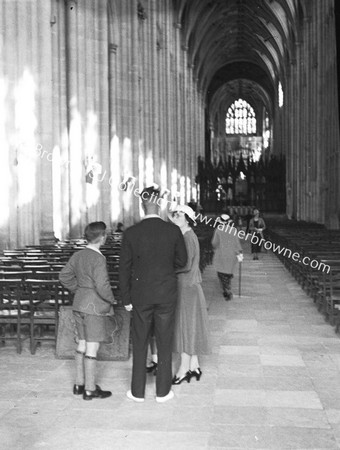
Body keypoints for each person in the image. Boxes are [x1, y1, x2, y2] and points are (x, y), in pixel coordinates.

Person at [119, 186, 187, 403]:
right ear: (160, 205)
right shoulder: (173, 230)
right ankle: (163, 392)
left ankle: (137, 392)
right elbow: (182, 261)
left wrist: (126, 298)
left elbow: (123, 268)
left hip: (140, 295)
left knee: (139, 341)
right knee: (165, 341)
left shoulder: (131, 233)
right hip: (166, 293)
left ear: (141, 205)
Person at [59, 221, 116, 400]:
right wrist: (112, 299)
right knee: (92, 347)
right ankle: (90, 389)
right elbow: (102, 285)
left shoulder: (78, 255)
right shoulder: (99, 258)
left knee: (82, 343)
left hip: (79, 304)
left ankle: (79, 384)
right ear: (102, 237)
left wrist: (79, 289)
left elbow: (64, 276)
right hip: (94, 307)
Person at [169, 205, 211, 385]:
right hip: (189, 286)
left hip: (186, 286)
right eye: (174, 214)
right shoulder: (188, 235)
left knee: (185, 327)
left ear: (187, 218)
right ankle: (194, 365)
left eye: (179, 215)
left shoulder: (187, 237)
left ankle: (183, 369)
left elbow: (185, 264)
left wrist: (167, 268)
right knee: (190, 325)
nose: (176, 216)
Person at [211, 214, 243, 300]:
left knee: (221, 273)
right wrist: (239, 252)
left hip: (221, 255)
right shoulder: (233, 230)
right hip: (231, 255)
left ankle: (227, 289)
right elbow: (237, 243)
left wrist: (216, 247)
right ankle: (227, 288)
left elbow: (214, 243)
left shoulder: (218, 230)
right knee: (228, 273)